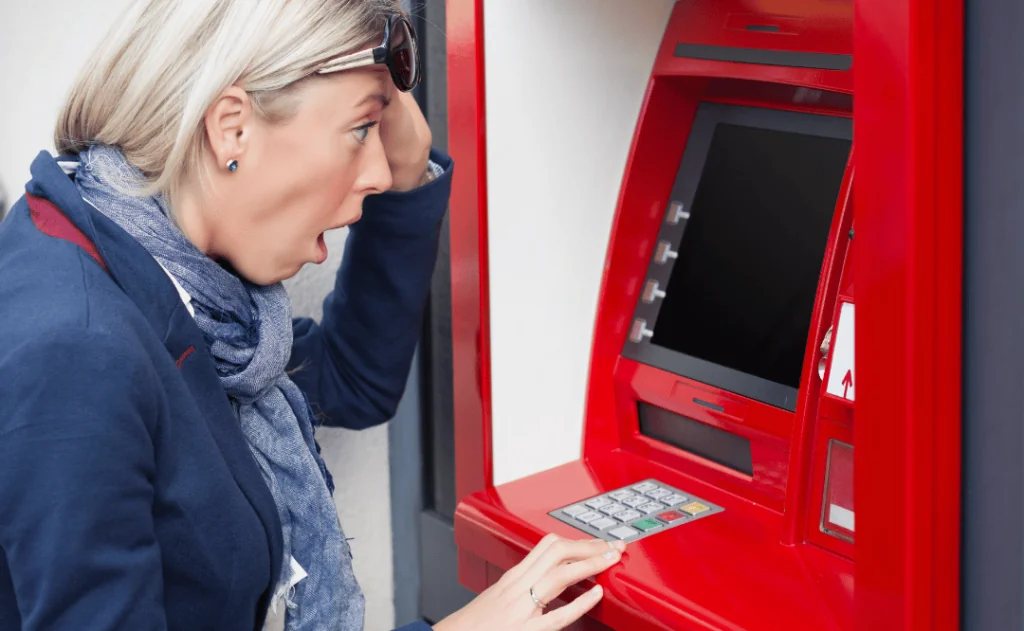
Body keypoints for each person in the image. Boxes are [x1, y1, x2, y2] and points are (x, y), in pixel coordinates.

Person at [0, 1, 625, 630]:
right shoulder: (76, 352)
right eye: (361, 129)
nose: (379, 169)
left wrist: (408, 177)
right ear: (232, 129)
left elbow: (351, 381)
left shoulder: (163, 274)